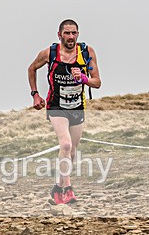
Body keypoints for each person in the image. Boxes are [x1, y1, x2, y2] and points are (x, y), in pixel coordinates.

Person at [27, 19, 101, 205]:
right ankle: (68, 189)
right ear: (59, 35)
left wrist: (84, 78)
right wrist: (35, 95)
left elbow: (97, 82)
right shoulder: (49, 54)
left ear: (78, 34)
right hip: (56, 106)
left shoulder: (86, 52)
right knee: (66, 145)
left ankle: (57, 189)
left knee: (72, 151)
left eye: (73, 33)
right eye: (66, 33)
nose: (70, 37)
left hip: (76, 106)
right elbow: (31, 68)